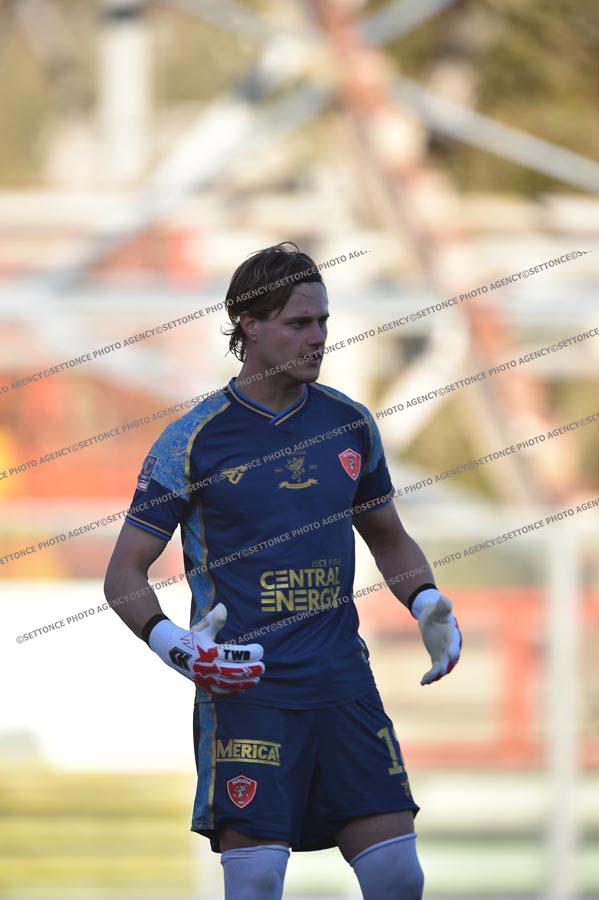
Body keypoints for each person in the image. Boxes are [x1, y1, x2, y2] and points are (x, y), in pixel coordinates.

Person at [104, 242, 462, 900]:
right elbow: (123, 573)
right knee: (257, 882)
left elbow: (389, 539)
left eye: (323, 321)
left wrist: (426, 601)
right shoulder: (194, 439)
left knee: (397, 877)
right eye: (299, 323)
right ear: (249, 324)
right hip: (248, 692)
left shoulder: (349, 424)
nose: (318, 337)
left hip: (342, 684)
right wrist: (173, 643)